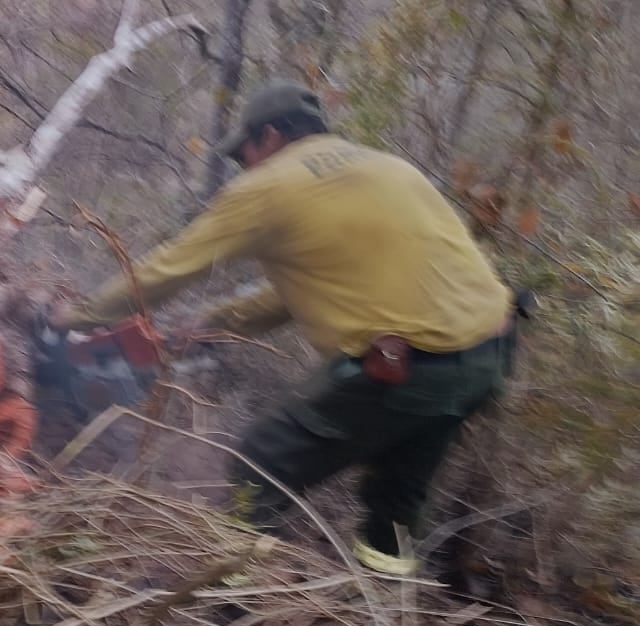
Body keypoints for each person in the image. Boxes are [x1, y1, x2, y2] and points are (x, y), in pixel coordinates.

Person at [46, 79, 520, 576]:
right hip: (487, 356)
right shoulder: (384, 167)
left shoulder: (270, 185)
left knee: (260, 462)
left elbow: (167, 270)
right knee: (396, 497)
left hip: (413, 363)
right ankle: (385, 622)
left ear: (269, 137)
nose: (244, 165)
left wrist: (75, 317)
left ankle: (235, 602)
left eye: (245, 152)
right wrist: (212, 324)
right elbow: (300, 293)